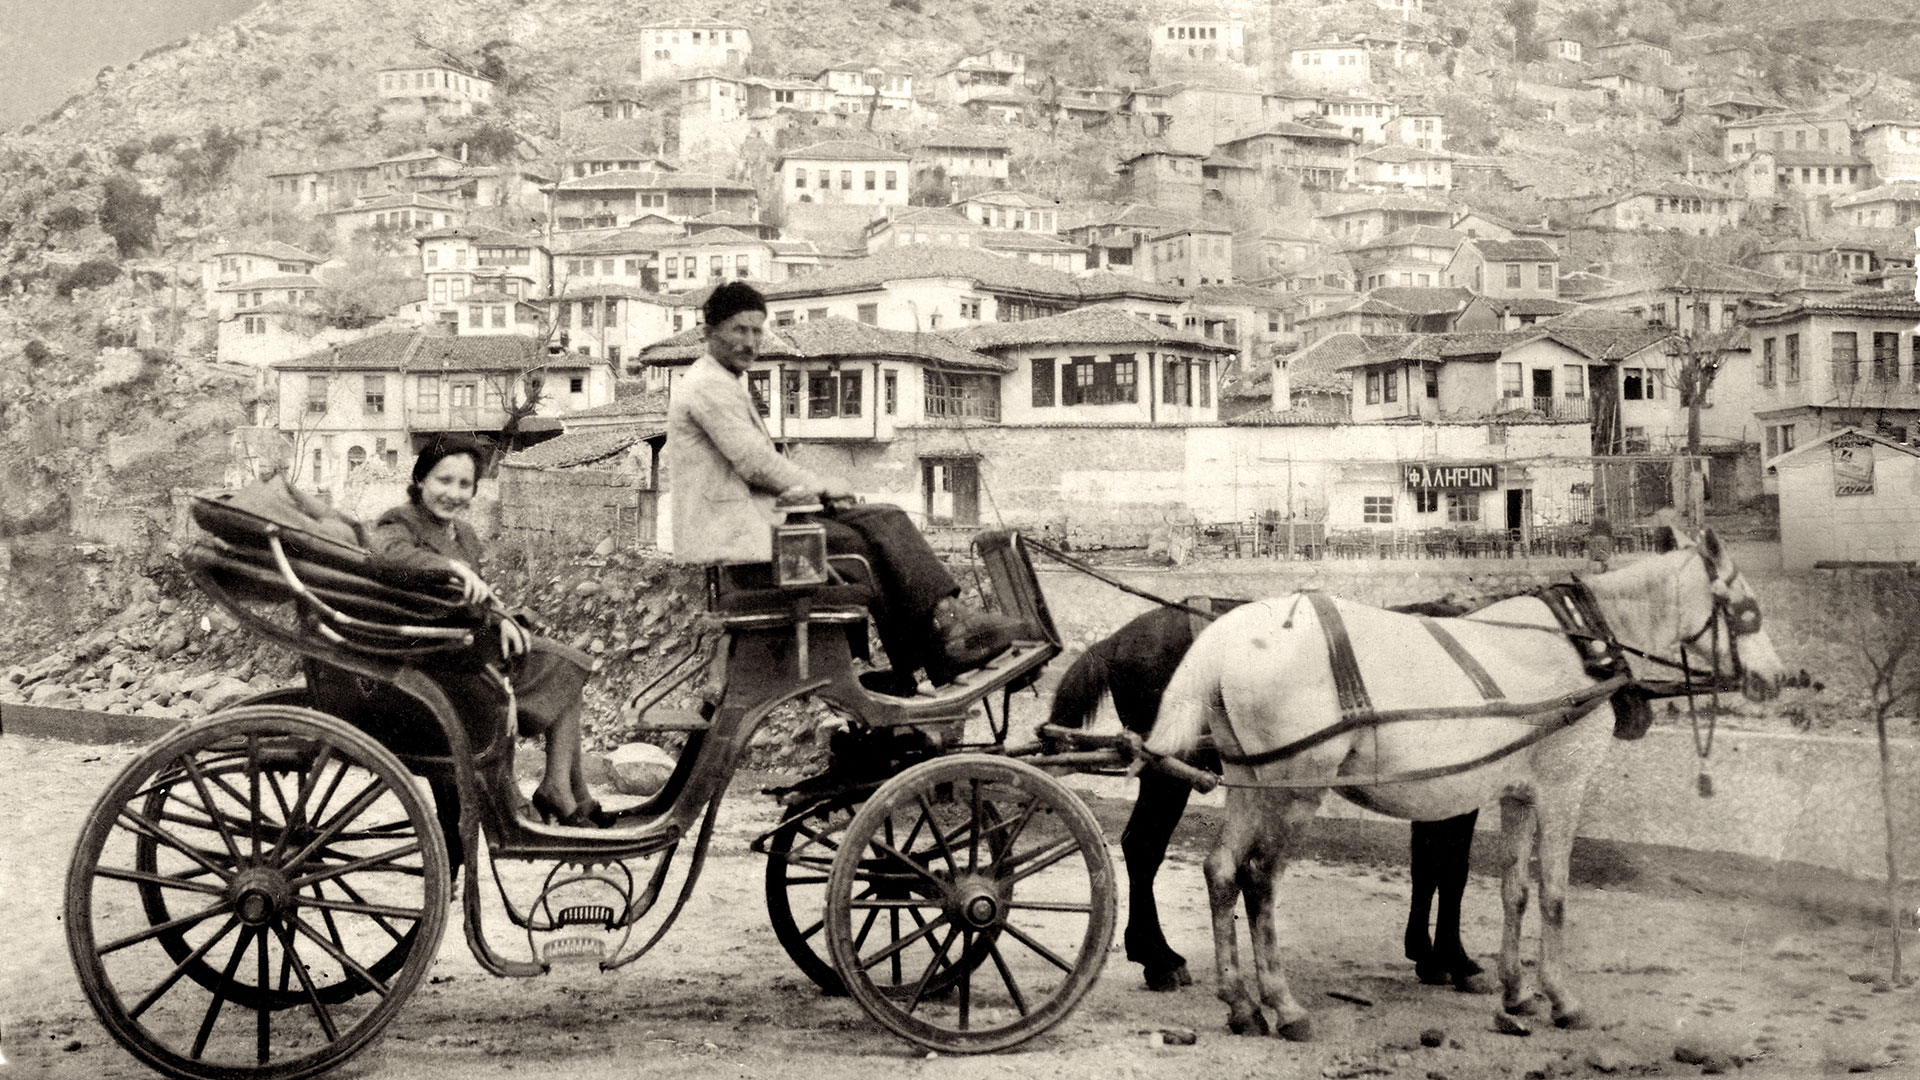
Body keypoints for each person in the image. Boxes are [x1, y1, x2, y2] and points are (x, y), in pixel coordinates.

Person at [665, 281, 1020, 694]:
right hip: (737, 533)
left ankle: (945, 624)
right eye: (739, 330)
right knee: (859, 550)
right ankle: (939, 641)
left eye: (757, 331)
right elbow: (753, 463)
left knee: (884, 518)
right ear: (710, 332)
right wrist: (820, 486)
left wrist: (816, 491)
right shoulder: (708, 385)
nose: (750, 342)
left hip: (754, 520)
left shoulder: (723, 380)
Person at [370, 437, 608, 828]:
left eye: (465, 485)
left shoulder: (463, 534)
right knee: (563, 664)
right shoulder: (400, 521)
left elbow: (477, 598)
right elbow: (388, 556)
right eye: (443, 480)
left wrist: (503, 620)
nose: (453, 493)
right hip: (438, 658)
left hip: (471, 644)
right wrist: (451, 568)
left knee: (565, 665)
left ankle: (566, 788)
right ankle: (561, 791)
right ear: (420, 480)